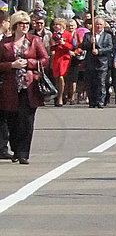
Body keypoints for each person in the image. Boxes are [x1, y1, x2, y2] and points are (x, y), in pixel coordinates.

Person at [0, 11, 50, 164]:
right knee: (13, 120)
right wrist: (11, 65)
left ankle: (23, 153)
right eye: (22, 24)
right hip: (10, 86)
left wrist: (29, 64)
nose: (25, 27)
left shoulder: (34, 40)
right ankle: (15, 149)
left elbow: (45, 59)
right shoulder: (5, 43)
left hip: (29, 86)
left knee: (27, 120)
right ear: (15, 26)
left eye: (27, 24)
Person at [80, 17, 114, 108]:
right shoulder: (88, 35)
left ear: (103, 26)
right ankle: (92, 101)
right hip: (90, 62)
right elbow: (83, 46)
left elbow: (110, 48)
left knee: (101, 82)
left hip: (102, 63)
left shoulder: (108, 36)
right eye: (97, 24)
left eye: (100, 24)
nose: (98, 26)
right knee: (91, 82)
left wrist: (99, 51)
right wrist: (91, 43)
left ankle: (101, 101)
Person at [49, 18, 73, 107]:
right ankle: (58, 94)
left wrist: (64, 43)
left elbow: (71, 46)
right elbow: (52, 47)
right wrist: (54, 45)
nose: (56, 26)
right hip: (57, 57)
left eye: (58, 24)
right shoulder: (54, 35)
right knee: (56, 76)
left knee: (62, 76)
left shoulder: (68, 34)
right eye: (55, 25)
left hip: (64, 58)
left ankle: (61, 97)